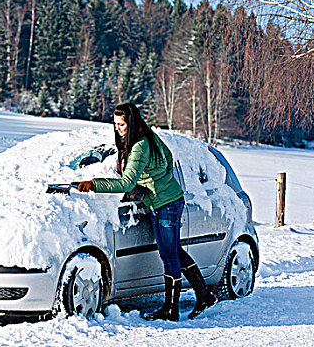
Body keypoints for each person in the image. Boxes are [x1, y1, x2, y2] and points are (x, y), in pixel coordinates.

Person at [72, 103, 216, 321]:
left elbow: (127, 183)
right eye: (115, 124)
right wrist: (156, 180)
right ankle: (203, 295)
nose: (117, 128)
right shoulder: (146, 133)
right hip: (168, 200)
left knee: (169, 254)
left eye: (121, 124)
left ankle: (171, 308)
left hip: (166, 204)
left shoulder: (139, 146)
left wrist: (93, 184)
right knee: (174, 251)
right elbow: (168, 158)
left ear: (131, 122)